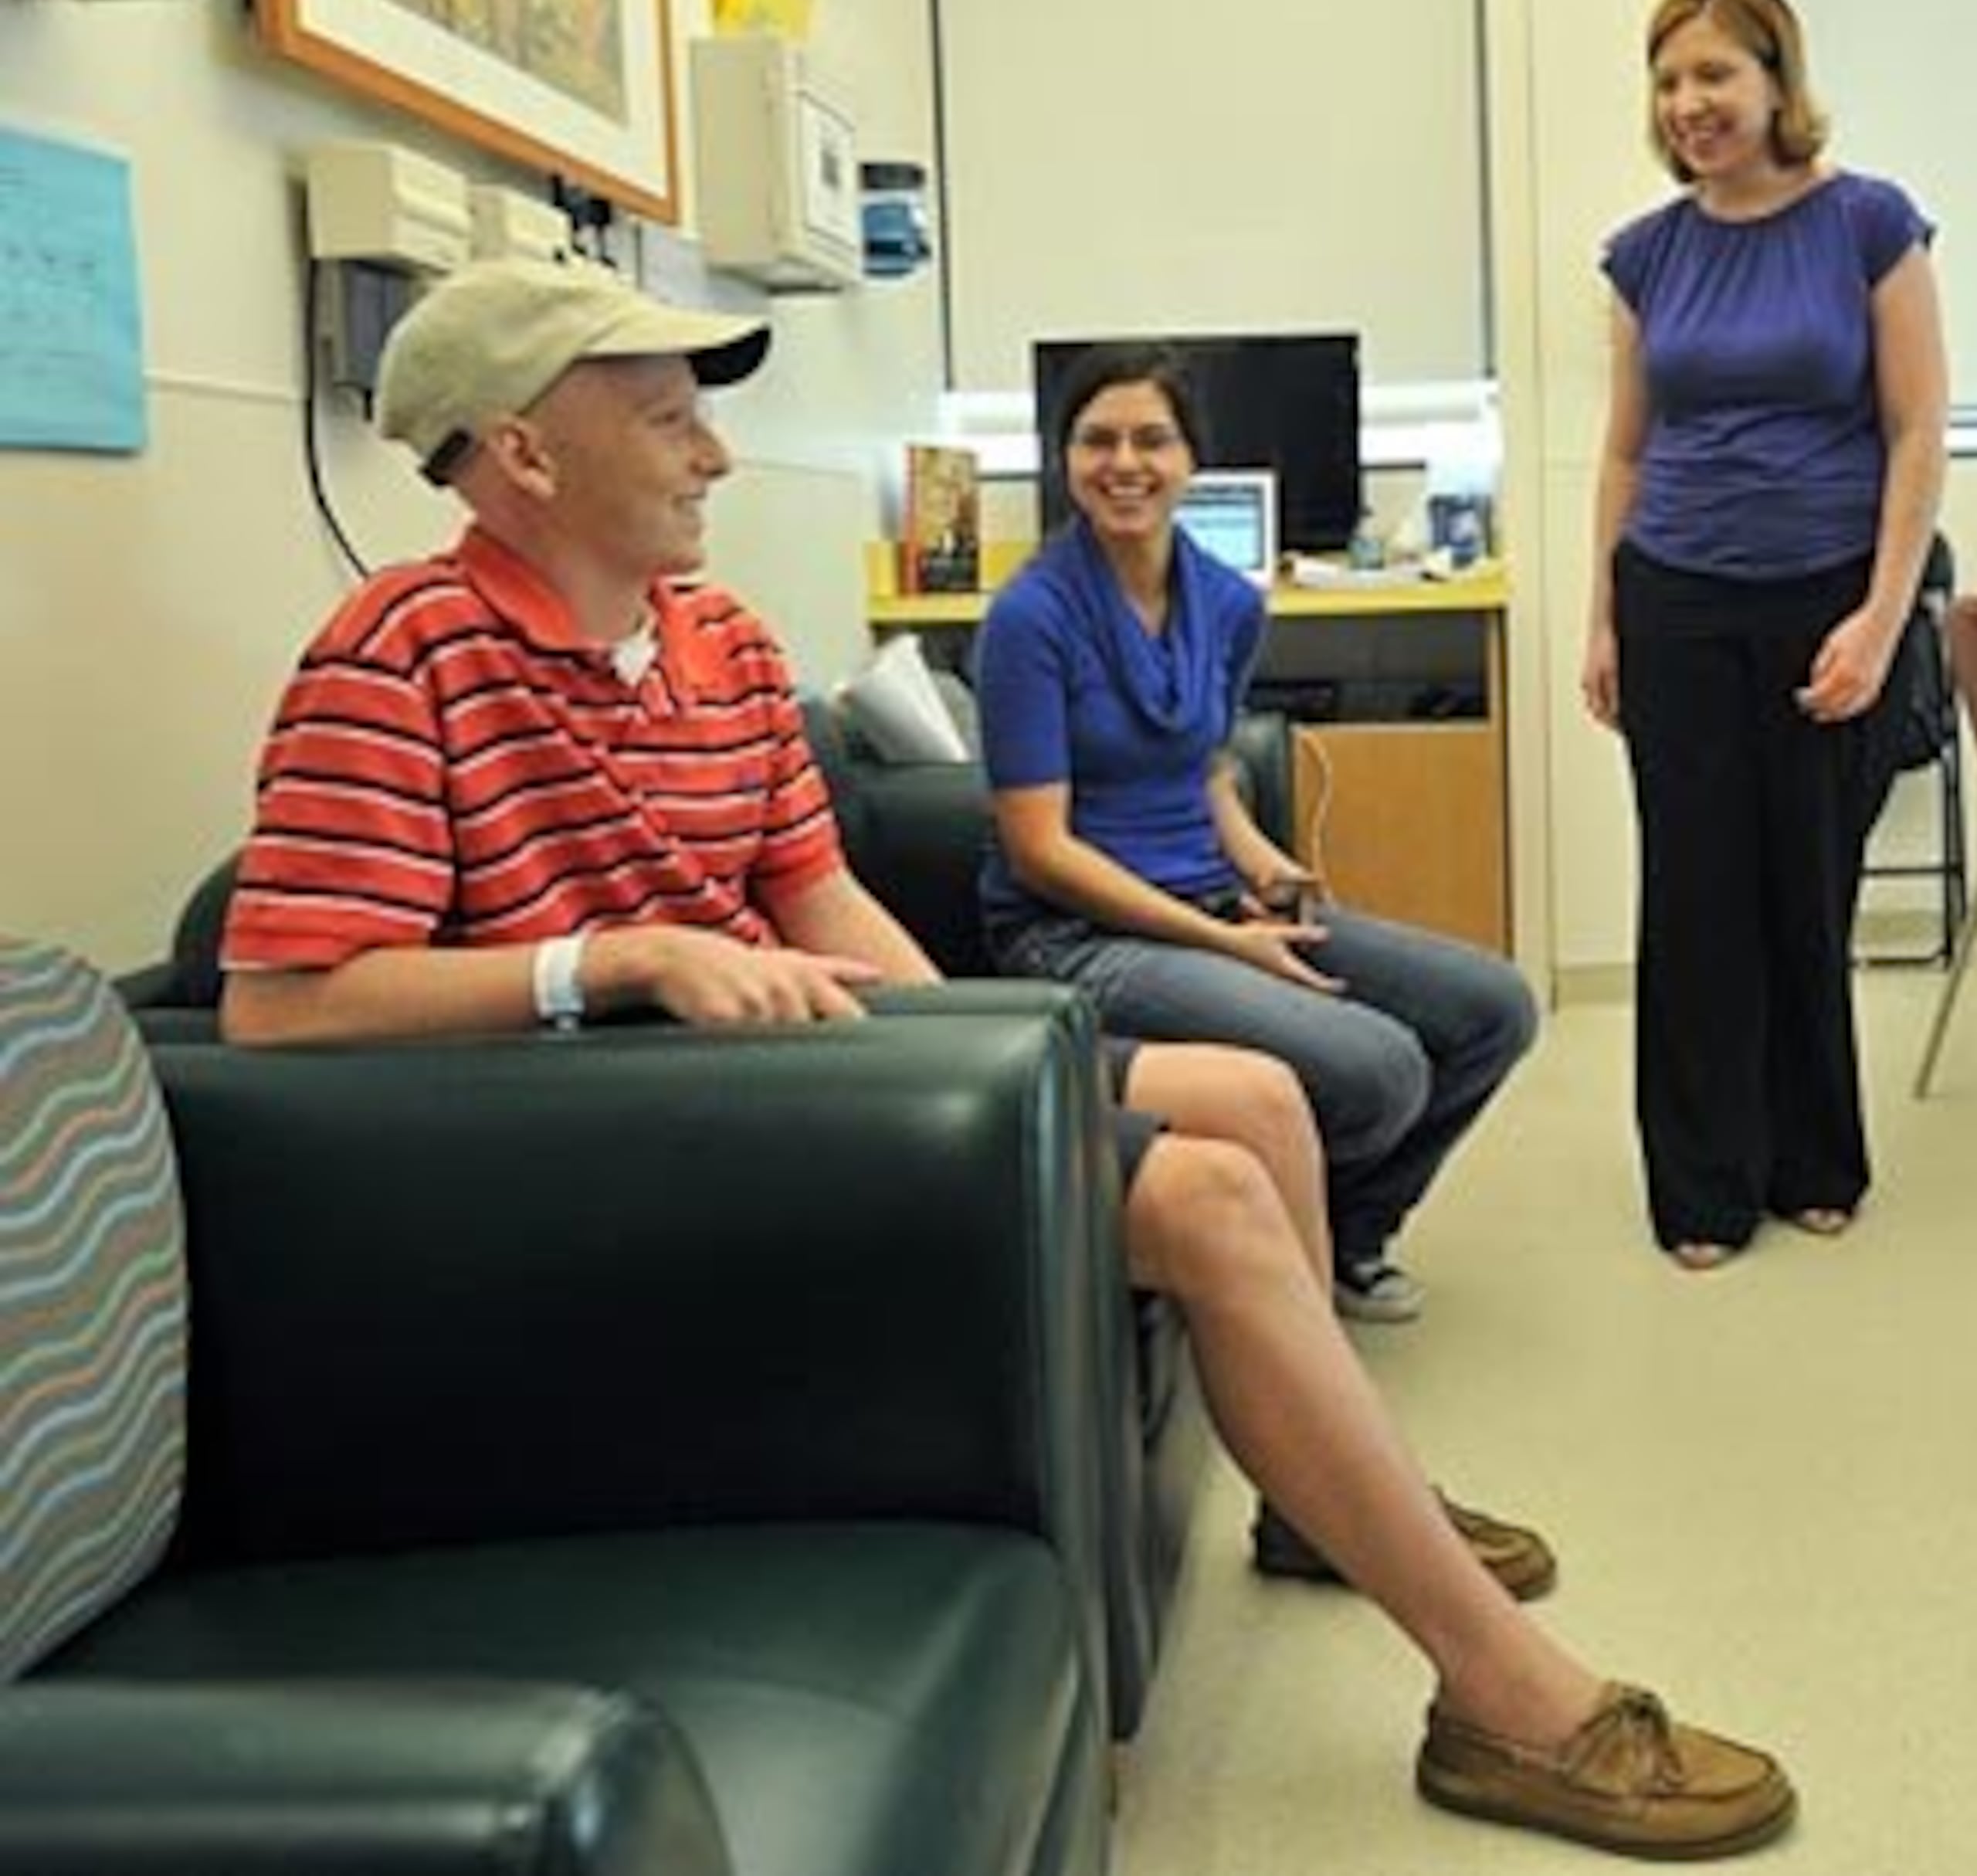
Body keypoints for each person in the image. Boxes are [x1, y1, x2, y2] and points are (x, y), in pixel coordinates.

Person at [215, 256, 1795, 1859]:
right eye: (670, 420)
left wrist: (962, 1055)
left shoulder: (719, 641)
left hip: (808, 1082)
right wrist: (606, 960)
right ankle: (1500, 1695)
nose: (715, 456)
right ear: (525, 455)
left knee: (1254, 1097)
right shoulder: (400, 653)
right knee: (1217, 1203)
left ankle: (1324, 1498)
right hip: (626, 1142)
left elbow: (814, 885)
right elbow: (283, 1000)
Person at [968, 341, 1541, 1326]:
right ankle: (1275, 1254)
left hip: (1213, 899)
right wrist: (1227, 944)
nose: (1125, 462)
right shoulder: (1029, 616)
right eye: (1097, 439)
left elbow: (1206, 765)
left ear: (1194, 460)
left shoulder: (1229, 601)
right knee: (1379, 1068)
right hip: (1074, 935)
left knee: (1494, 1006)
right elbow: (1040, 849)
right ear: (1064, 459)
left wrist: (1263, 865)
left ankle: (1353, 1232)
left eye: (1153, 438)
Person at [1581, 0, 1951, 1269]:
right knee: (1692, 897)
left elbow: (1916, 433)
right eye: (1671, 79)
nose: (1692, 102)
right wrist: (1603, 620)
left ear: (1778, 84)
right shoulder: (1645, 253)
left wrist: (1881, 617)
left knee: (1806, 884)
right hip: (1674, 594)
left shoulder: (1868, 224)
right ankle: (1700, 1184)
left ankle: (1812, 1153)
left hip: (1827, 596)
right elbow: (1625, 452)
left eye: (1717, 75)